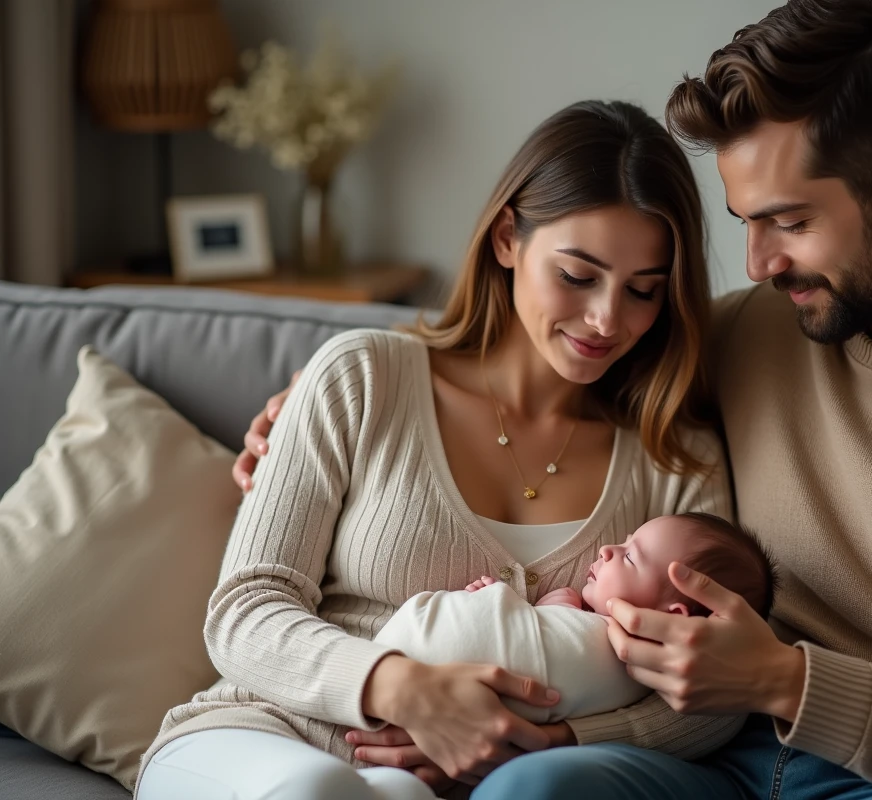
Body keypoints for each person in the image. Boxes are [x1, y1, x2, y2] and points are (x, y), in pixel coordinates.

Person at [237, 3, 872, 799]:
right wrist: (318, 396)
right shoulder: (759, 331)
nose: (760, 263)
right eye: (746, 224)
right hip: (713, 765)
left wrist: (788, 681)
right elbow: (561, 345)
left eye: (790, 221)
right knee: (535, 790)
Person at [134, 99, 743, 800]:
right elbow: (244, 610)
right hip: (261, 736)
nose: (607, 318)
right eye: (578, 276)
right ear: (508, 239)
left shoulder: (676, 457)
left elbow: (717, 694)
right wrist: (402, 688)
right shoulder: (363, 378)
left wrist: (556, 740)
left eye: (643, 291)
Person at [373, 514, 777, 724]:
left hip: (421, 648)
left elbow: (537, 633)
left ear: (672, 619)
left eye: (630, 557)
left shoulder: (611, 647)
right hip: (393, 680)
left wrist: (494, 600)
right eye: (624, 541)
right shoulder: (635, 684)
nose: (607, 550)